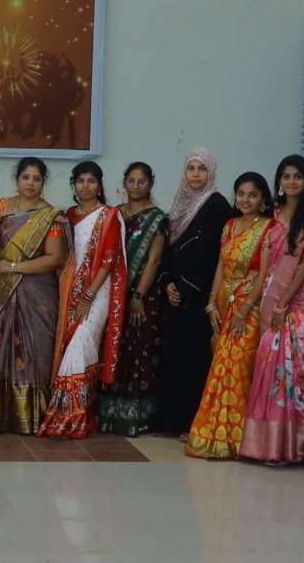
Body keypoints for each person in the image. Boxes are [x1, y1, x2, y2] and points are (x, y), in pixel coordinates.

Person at [185, 172, 275, 460]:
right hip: (225, 302)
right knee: (218, 367)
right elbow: (221, 266)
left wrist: (244, 310)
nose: (245, 200)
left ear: (263, 199)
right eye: (241, 194)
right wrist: (212, 303)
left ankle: (238, 439)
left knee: (237, 367)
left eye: (252, 195)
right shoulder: (230, 225)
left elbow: (265, 273)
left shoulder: (269, 228)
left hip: (250, 306)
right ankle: (213, 433)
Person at [241, 155, 304, 465]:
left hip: (295, 302)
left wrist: (284, 301)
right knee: (266, 369)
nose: (291, 182)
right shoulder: (272, 215)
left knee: (291, 372)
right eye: (286, 176)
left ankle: (291, 447)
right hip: (267, 297)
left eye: (297, 176)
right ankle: (263, 445)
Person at [38, 162, 127, 440]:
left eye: (91, 181)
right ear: (74, 185)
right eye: (80, 181)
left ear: (99, 185)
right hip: (69, 290)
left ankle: (72, 416)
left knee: (81, 342)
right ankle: (79, 415)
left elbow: (109, 260)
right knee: (72, 345)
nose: (85, 186)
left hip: (97, 291)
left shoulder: (110, 216)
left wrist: (88, 296)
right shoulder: (68, 215)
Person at [0, 157, 68, 434]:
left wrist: (14, 268)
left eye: (36, 178)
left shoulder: (51, 216)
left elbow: (55, 258)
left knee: (36, 351)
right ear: (16, 179)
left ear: (43, 183)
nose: (30, 183)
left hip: (37, 294)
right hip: (2, 290)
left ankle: (32, 416)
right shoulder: (1, 207)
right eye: (25, 177)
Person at [155, 149, 236, 437]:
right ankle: (169, 421)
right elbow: (170, 248)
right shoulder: (180, 204)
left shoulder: (217, 205)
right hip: (175, 294)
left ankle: (191, 423)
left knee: (194, 358)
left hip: (200, 295)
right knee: (173, 355)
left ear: (211, 172)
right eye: (191, 168)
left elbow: (213, 252)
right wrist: (167, 281)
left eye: (202, 168)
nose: (196, 174)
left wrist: (186, 287)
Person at [99, 162, 169, 437]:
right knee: (114, 348)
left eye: (142, 181)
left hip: (144, 296)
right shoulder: (116, 213)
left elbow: (154, 260)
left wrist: (138, 294)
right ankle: (109, 413)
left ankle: (136, 416)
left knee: (139, 351)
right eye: (131, 181)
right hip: (115, 293)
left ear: (151, 184)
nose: (136, 186)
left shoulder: (157, 219)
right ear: (124, 183)